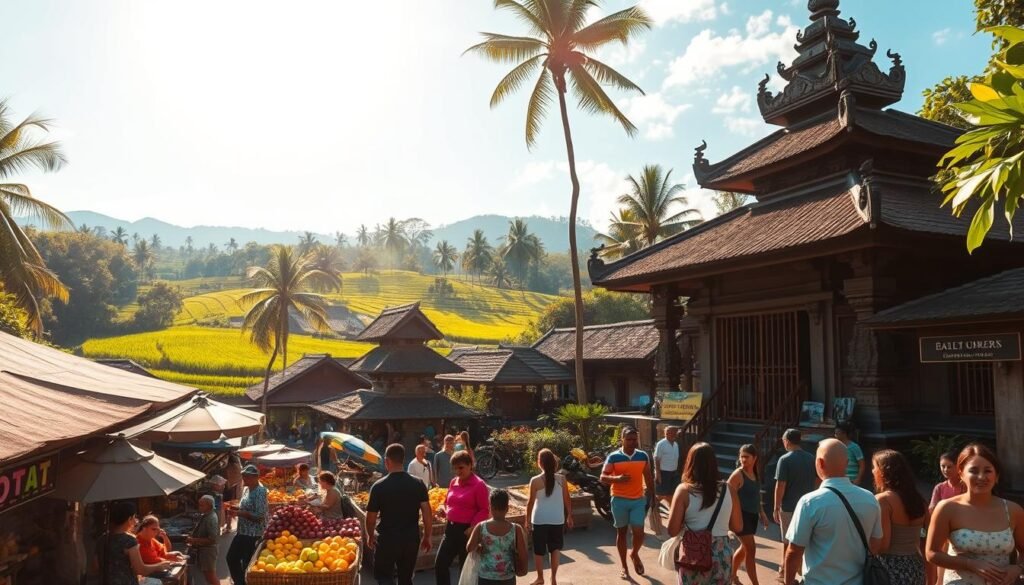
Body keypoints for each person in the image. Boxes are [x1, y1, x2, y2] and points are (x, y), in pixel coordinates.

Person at [784, 438, 882, 585]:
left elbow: (794, 551)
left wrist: (788, 581)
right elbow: (875, 545)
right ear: (847, 463)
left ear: (820, 463)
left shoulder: (810, 502)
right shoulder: (870, 499)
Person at [926, 443, 1024, 584]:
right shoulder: (947, 508)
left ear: (996, 475)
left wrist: (1017, 568)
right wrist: (969, 564)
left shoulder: (1013, 510)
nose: (981, 477)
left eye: (988, 471)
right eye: (974, 470)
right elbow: (932, 553)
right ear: (961, 473)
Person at [667, 442, 742, 584]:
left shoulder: (684, 491)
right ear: (714, 463)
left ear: (690, 463)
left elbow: (672, 531)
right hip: (722, 556)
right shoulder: (729, 489)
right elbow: (737, 527)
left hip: (693, 555)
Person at [366, 443, 433, 585]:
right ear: (403, 460)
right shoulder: (418, 483)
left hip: (387, 540)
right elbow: (427, 513)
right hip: (410, 539)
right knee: (406, 578)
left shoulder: (378, 486)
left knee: (385, 578)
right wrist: (427, 536)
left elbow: (371, 518)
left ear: (387, 461)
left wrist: (370, 535)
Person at [600, 426, 655, 580]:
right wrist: (616, 479)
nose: (632, 442)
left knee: (639, 532)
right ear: (622, 440)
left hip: (638, 499)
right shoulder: (613, 457)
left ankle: (634, 553)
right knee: (622, 533)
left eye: (634, 439)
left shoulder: (643, 456)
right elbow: (603, 477)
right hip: (619, 500)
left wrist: (653, 496)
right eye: (629, 439)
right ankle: (624, 566)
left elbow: (649, 477)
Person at [872, 449, 928, 584]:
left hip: (890, 568)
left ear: (883, 472)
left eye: (874, 467)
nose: (873, 472)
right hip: (915, 566)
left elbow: (883, 545)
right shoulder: (920, 501)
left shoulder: (883, 500)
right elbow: (925, 541)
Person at [435, 449, 490, 585]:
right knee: (440, 564)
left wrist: (473, 527)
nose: (458, 471)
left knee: (464, 570)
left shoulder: (479, 485)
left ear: (470, 465)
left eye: (461, 468)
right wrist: (443, 508)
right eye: (455, 468)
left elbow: (484, 510)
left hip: (467, 531)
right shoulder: (454, 482)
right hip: (451, 530)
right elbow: (447, 502)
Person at [773, 428, 818, 582]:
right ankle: (801, 568)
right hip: (809, 506)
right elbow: (817, 481)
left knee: (788, 541)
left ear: (786, 441)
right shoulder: (812, 458)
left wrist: (776, 506)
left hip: (789, 507)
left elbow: (781, 486)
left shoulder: (784, 460)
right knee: (806, 540)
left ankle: (785, 571)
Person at [526, 449, 573, 585]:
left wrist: (527, 520)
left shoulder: (535, 481)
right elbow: (567, 499)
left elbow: (530, 503)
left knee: (539, 550)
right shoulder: (562, 479)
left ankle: (540, 578)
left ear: (539, 463)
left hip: (539, 520)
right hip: (557, 519)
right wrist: (569, 515)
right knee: (555, 549)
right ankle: (553, 578)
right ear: (553, 462)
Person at [98, 501, 170, 585]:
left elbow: (95, 567)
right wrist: (158, 566)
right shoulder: (129, 540)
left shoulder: (103, 539)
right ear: (129, 519)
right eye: (134, 517)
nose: (136, 521)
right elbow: (140, 569)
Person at [467, 489, 528, 585]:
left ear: (490, 507)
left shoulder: (481, 527)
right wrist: (523, 569)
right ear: (507, 508)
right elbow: (523, 554)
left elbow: (469, 547)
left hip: (485, 577)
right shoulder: (516, 529)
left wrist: (479, 548)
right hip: (507, 577)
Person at [728, 444, 769, 585]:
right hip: (740, 518)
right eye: (741, 457)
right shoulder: (737, 475)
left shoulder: (755, 473)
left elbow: (757, 495)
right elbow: (727, 496)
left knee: (744, 549)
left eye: (746, 457)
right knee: (751, 550)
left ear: (754, 458)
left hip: (752, 517)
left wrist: (762, 513)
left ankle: (732, 576)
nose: (743, 460)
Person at [225, 464, 268, 585]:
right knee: (231, 558)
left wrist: (239, 513)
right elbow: (246, 506)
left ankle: (244, 582)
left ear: (256, 477)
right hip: (243, 532)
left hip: (253, 534)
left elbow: (259, 516)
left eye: (247, 477)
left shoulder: (260, 491)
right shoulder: (246, 489)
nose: (244, 479)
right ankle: (240, 582)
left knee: (246, 563)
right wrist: (234, 508)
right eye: (244, 476)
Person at [186, 495, 220, 585]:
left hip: (208, 552)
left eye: (202, 505)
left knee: (210, 576)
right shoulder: (206, 515)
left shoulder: (211, 518)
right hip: (205, 551)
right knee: (208, 576)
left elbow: (212, 539)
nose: (199, 507)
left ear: (209, 506)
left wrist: (194, 540)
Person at [654, 426, 681, 504]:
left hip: (674, 472)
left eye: (674, 433)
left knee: (672, 493)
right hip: (663, 473)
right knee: (660, 494)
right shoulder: (661, 444)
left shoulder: (676, 444)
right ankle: (656, 510)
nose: (674, 434)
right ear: (666, 434)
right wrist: (658, 474)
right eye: (668, 433)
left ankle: (669, 509)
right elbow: (657, 459)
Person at [835, 421, 865, 486]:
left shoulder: (854, 447)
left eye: (837, 433)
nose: (835, 436)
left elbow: (862, 465)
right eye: (835, 433)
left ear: (844, 434)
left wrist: (858, 478)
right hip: (841, 480)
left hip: (852, 480)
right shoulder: (837, 446)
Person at [223, 453, 243, 531]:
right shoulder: (237, 467)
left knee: (229, 509)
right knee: (231, 509)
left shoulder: (229, 467)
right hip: (233, 490)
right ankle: (228, 525)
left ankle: (228, 525)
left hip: (229, 489)